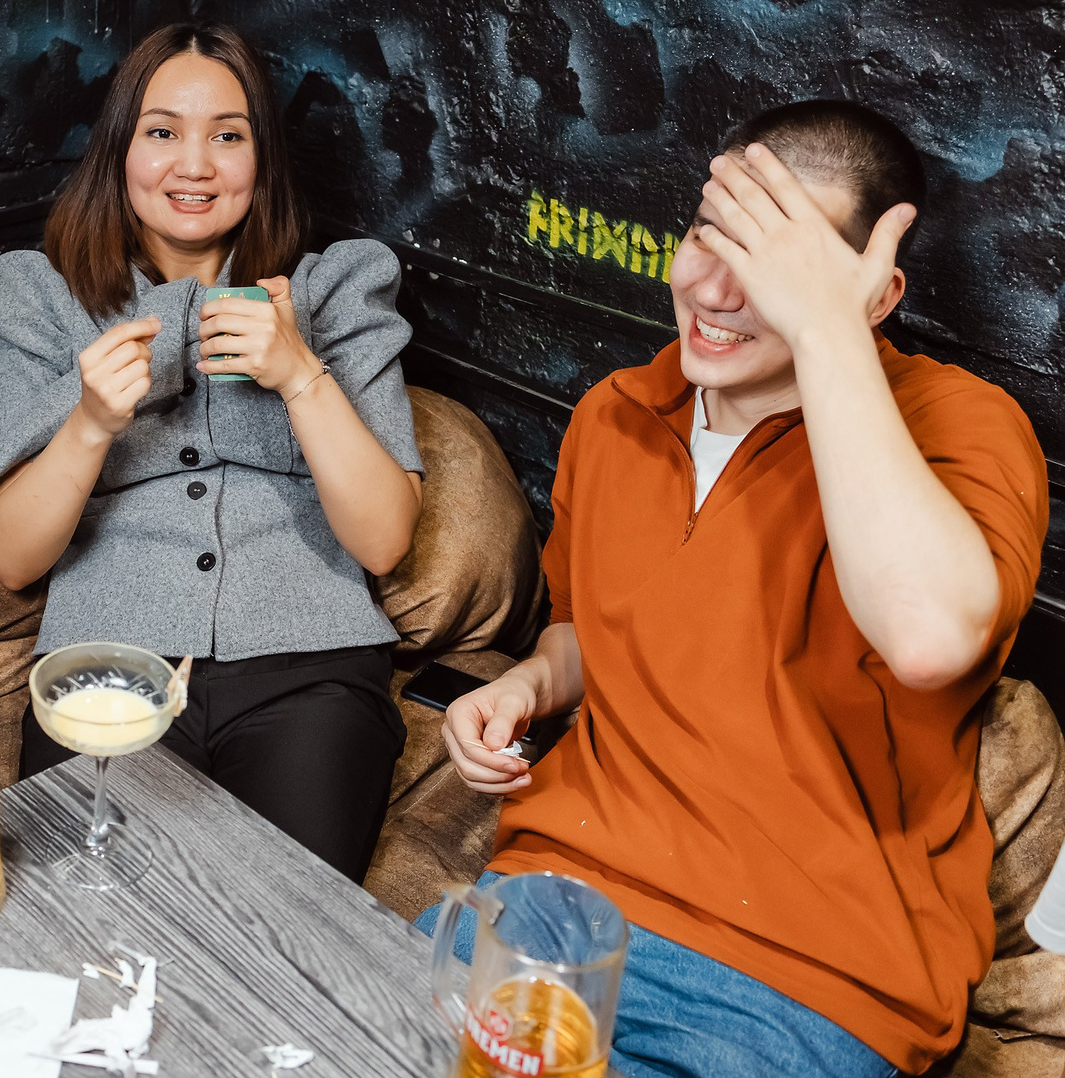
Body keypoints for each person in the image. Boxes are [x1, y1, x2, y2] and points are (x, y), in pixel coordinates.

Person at [429, 101, 1049, 1077]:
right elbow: (588, 630)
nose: (716, 290)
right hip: (558, 892)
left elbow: (930, 636)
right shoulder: (617, 414)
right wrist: (528, 685)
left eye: (777, 268)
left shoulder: (958, 425)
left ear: (874, 296)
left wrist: (827, 331)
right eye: (709, 236)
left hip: (803, 973)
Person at [0, 22, 425, 882]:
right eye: (162, 132)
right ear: (120, 149)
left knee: (290, 920)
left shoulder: (336, 288)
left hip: (308, 672)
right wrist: (89, 423)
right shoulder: (39, 297)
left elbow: (385, 541)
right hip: (104, 672)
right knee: (93, 912)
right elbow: (12, 557)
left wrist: (300, 376)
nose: (195, 165)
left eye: (227, 136)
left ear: (262, 158)